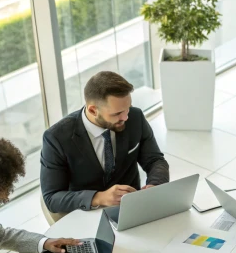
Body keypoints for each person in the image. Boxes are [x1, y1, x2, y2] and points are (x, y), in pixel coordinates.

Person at [40, 71, 169, 213]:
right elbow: (52, 198)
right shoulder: (56, 138)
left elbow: (155, 160)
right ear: (93, 110)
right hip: (86, 214)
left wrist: (155, 185)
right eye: (117, 113)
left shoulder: (135, 117)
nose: (126, 117)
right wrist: (99, 197)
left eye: (128, 108)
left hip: (131, 210)